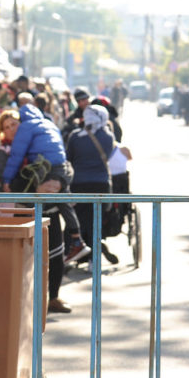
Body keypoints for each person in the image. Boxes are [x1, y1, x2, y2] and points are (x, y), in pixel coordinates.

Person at [2, 103, 92, 263]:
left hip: (44, 167)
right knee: (62, 198)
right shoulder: (50, 123)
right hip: (59, 165)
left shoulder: (27, 126)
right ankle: (77, 239)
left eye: (14, 124)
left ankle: (65, 243)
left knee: (46, 195)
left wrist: (7, 180)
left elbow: (16, 156)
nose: (13, 128)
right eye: (7, 127)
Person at [67, 104, 115, 263]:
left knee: (80, 220)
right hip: (100, 184)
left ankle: (80, 251)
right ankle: (94, 260)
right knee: (96, 222)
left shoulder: (75, 136)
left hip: (78, 184)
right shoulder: (108, 137)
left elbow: (70, 159)